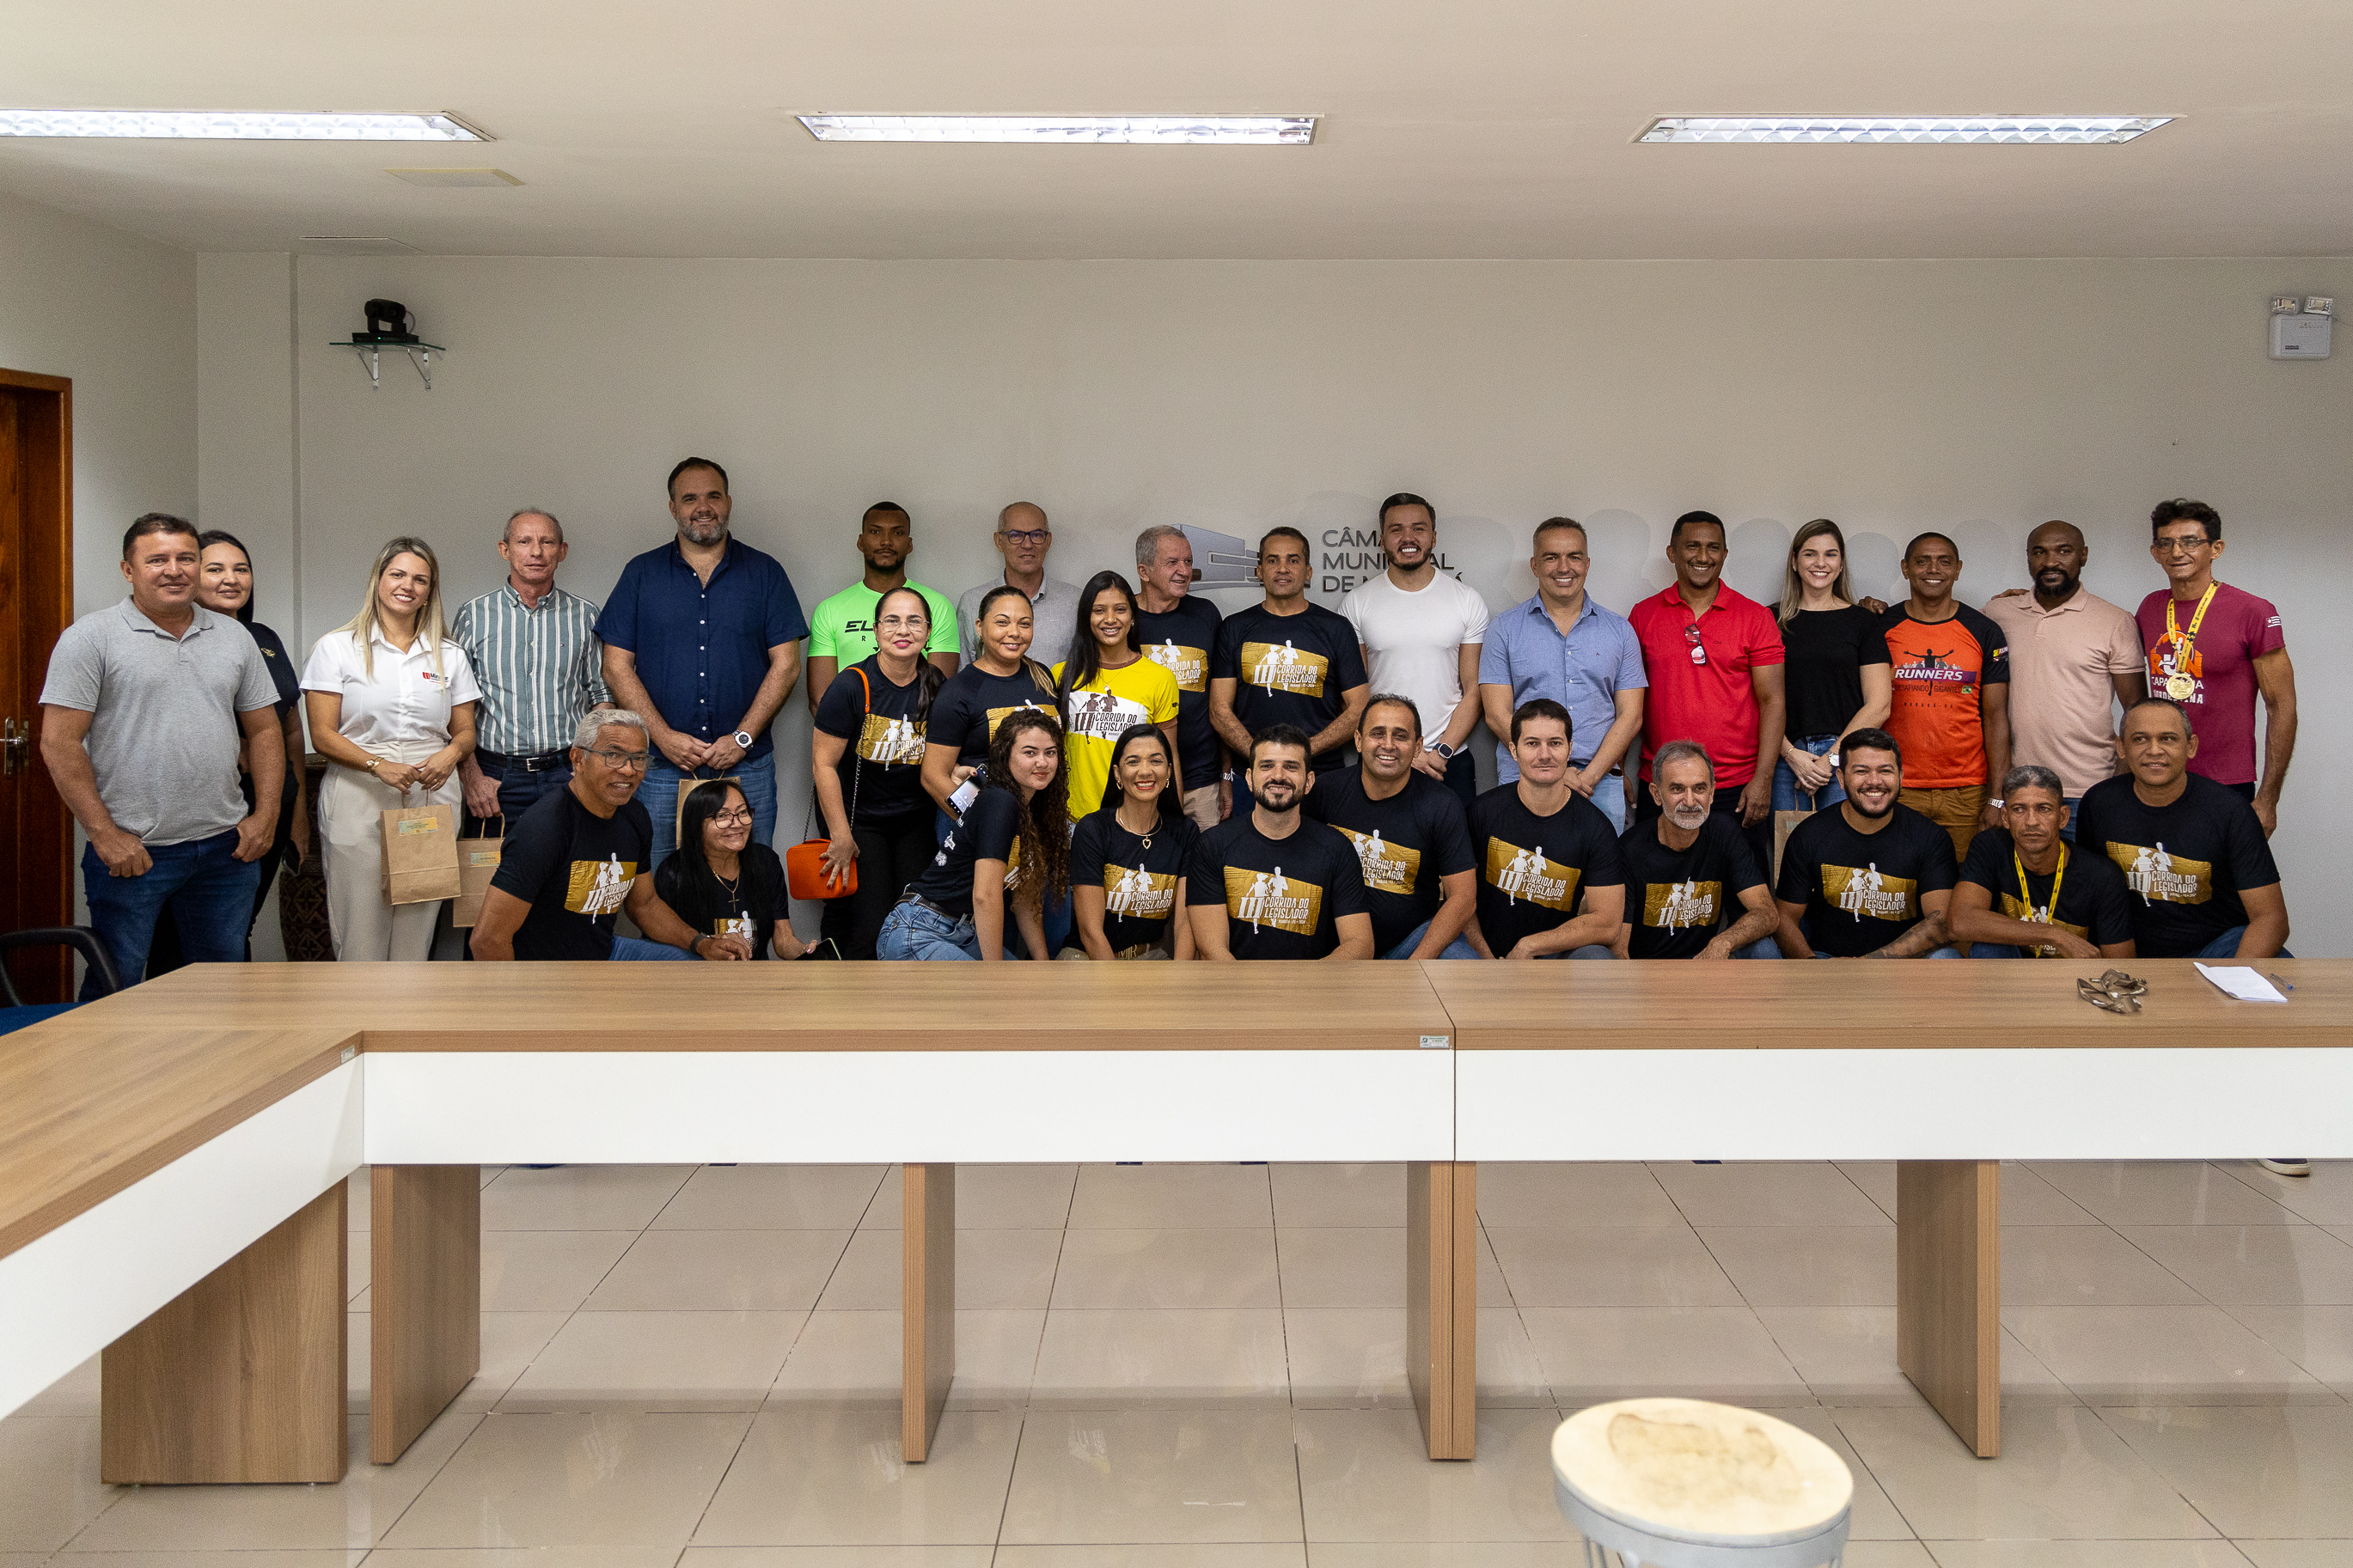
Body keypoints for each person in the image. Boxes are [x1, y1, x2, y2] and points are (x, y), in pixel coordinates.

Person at [38, 514, 285, 993]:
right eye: (157, 559)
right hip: (134, 851)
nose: (174, 570)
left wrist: (266, 815)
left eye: (186, 558)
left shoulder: (235, 638)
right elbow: (58, 742)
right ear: (129, 570)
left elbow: (266, 731)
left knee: (219, 987)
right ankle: (112, 1072)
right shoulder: (91, 638)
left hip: (225, 849)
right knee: (119, 986)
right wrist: (104, 835)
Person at [597, 457, 808, 866]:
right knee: (659, 883)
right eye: (689, 498)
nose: (703, 506)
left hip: (748, 765)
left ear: (728, 502)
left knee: (750, 878)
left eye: (713, 496)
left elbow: (787, 665)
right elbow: (615, 666)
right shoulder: (641, 574)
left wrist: (742, 738)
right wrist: (663, 737)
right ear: (672, 507)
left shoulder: (766, 573)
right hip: (660, 769)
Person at [301, 536, 479, 961]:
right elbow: (322, 735)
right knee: (361, 923)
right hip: (360, 790)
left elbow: (466, 733)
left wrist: (450, 755)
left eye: (420, 579)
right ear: (378, 580)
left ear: (430, 590)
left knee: (417, 926)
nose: (408, 586)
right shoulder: (337, 648)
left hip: (430, 793)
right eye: (397, 574)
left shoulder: (449, 655)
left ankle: (406, 1026)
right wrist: (378, 765)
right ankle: (364, 1023)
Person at [145, 528, 309, 972]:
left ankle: (235, 1024)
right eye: (215, 569)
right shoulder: (176, 642)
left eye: (241, 569)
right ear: (195, 575)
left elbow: (290, 727)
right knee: (187, 933)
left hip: (272, 801)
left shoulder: (264, 638)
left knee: (239, 924)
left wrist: (295, 817)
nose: (230, 579)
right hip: (214, 805)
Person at [469, 711, 754, 961]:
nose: (628, 770)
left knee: (705, 970)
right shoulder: (544, 828)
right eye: (613, 755)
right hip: (547, 973)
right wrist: (520, 1015)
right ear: (578, 758)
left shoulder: (635, 815)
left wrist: (701, 942)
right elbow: (487, 940)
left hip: (605, 953)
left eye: (638, 758)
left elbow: (645, 905)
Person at [1627, 511, 1785, 873]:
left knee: (1745, 892)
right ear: (1672, 552)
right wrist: (1621, 769)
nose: (1703, 556)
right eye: (1692, 546)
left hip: (1736, 784)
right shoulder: (1643, 614)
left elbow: (1773, 701)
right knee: (1661, 892)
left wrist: (1763, 780)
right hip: (1662, 782)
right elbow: (1628, 700)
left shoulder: (1755, 617)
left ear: (1725, 554)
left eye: (1713, 548)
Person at [2075, 697, 2288, 961]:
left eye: (2168, 739)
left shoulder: (2231, 811)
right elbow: (2086, 897)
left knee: (2278, 967)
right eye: (2140, 739)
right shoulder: (2098, 804)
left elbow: (2271, 918)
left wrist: (2236, 980)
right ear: (2121, 747)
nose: (2154, 750)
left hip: (2218, 949)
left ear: (2191, 746)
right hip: (2130, 952)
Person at [2137, 499, 2295, 836]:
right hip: (2159, 775)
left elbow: (2281, 707)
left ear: (2216, 549)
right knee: (2164, 881)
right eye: (2166, 543)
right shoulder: (2150, 607)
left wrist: (2268, 799)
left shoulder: (2252, 611)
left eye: (2190, 541)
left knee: (2226, 887)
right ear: (2155, 552)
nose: (2177, 551)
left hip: (2226, 781)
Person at [1478, 516, 1646, 832]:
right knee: (1525, 875)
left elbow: (1631, 716)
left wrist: (1588, 776)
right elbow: (1496, 714)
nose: (1563, 567)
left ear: (1588, 563)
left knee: (1601, 877)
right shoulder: (1505, 629)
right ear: (1534, 565)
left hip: (1598, 783)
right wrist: (1557, 771)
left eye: (1574, 557)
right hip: (1524, 778)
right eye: (1551, 557)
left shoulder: (1620, 631)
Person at [1980, 522, 2145, 837]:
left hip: (2089, 791)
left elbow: (2136, 711)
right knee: (2021, 886)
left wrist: (2120, 787)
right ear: (2028, 558)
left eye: (2063, 551)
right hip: (2019, 789)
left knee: (2089, 883)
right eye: (2039, 552)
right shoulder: (1997, 614)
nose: (2051, 561)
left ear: (2083, 556)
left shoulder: (2115, 620)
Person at [811, 585, 950, 959]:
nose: (903, 630)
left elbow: (946, 757)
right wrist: (840, 835)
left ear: (927, 632)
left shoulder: (937, 685)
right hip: (860, 821)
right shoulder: (851, 685)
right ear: (875, 631)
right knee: (870, 925)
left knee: (910, 920)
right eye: (892, 621)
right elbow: (823, 764)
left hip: (914, 820)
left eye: (913, 621)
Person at [452, 507, 612, 824]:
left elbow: (602, 697)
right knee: (496, 873)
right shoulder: (474, 615)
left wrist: (586, 768)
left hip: (567, 772)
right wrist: (472, 778)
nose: (536, 552)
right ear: (505, 549)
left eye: (547, 542)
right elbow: (455, 704)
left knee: (572, 871)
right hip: (495, 779)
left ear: (562, 551)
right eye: (524, 541)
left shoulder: (585, 616)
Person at [881, 709, 1070, 961]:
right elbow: (985, 896)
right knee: (999, 998)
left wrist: (1043, 967)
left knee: (1036, 992)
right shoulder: (999, 801)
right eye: (1029, 752)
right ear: (1005, 755)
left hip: (965, 932)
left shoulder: (1034, 810)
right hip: (920, 928)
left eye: (1051, 753)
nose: (1042, 762)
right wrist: (994, 979)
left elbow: (1025, 900)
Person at [1340, 493, 1491, 806]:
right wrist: (1406, 754)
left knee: (1453, 855)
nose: (1408, 538)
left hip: (1447, 760)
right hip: (1382, 757)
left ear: (1433, 537)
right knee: (1378, 852)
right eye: (1396, 530)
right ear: (1382, 540)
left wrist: (1439, 752)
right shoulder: (1357, 603)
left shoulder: (1466, 600)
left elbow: (1474, 689)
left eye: (1419, 529)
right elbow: (1355, 695)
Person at [1303, 694, 1478, 959]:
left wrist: (1416, 963)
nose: (1388, 745)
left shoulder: (1441, 804)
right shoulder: (1325, 792)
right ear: (1358, 740)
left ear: (1418, 746)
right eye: (1377, 734)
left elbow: (1463, 899)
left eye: (1400, 736)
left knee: (1462, 961)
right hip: (1338, 947)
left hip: (1410, 943)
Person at [1875, 532, 2009, 860]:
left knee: (1963, 890)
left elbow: (1996, 718)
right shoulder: (1880, 627)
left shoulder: (1984, 630)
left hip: (1967, 792)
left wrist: (1997, 799)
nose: (1933, 569)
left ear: (1958, 569)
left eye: (1944, 561)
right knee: (1899, 886)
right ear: (1906, 568)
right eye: (1922, 561)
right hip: (1897, 787)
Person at [1187, 725, 1373, 960]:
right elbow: (1212, 949)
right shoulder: (1212, 846)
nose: (1278, 775)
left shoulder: (1338, 850)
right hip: (1235, 990)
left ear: (1309, 782)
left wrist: (1305, 991)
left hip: (1313, 990)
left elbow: (1360, 944)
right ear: (1249, 779)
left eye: (1291, 767)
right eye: (1266, 766)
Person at [1771, 729, 1960, 959]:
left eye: (1885, 771)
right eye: (1861, 771)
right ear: (1841, 779)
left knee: (1945, 957)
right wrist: (1814, 967)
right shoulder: (1809, 835)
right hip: (1829, 963)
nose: (1874, 781)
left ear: (1900, 776)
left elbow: (1939, 922)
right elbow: (1785, 919)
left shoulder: (1930, 837)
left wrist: (1869, 964)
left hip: (1905, 964)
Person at [1210, 527, 1371, 796]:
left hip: (1320, 776)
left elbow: (1359, 708)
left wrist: (1304, 752)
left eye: (1293, 560)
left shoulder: (1336, 629)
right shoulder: (1234, 628)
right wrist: (1261, 757)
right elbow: (1219, 710)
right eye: (1273, 560)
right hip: (1251, 778)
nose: (1282, 568)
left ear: (1307, 572)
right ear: (1259, 570)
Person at [1464, 699, 1625, 959]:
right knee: (1447, 949)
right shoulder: (1482, 812)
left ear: (1569, 749)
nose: (1544, 755)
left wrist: (1530, 946)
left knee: (1597, 958)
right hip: (1481, 954)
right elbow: (1460, 900)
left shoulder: (1595, 827)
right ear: (1513, 750)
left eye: (1555, 743)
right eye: (1532, 744)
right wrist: (1486, 959)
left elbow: (1607, 924)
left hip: (1553, 959)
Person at [1948, 765, 2135, 959]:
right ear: (2005, 817)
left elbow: (2121, 963)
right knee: (1985, 950)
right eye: (2019, 809)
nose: (2031, 821)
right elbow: (1960, 921)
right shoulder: (1990, 847)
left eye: (2044, 809)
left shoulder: (2101, 875)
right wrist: (2052, 934)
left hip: (2074, 980)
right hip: (2010, 978)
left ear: (2063, 817)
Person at [1616, 741, 1778, 960]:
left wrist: (1724, 941)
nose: (1690, 801)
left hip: (1706, 965)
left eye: (1700, 788)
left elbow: (1767, 914)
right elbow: (1618, 948)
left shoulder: (1723, 832)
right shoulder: (1630, 849)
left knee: (1764, 950)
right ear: (1656, 794)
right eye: (1677, 789)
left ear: (1711, 793)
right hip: (1648, 974)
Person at [1771, 520, 1890, 815]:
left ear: (1841, 564)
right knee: (1785, 855)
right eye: (1810, 554)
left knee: (1841, 855)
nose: (1820, 563)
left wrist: (1830, 759)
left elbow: (1879, 704)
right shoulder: (1769, 621)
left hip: (1847, 759)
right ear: (1795, 562)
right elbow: (1756, 699)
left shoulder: (1863, 622)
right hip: (1785, 759)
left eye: (1830, 554)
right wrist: (1790, 754)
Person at [804, 500, 959, 713]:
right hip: (850, 741)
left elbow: (941, 697)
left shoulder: (938, 606)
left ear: (909, 544)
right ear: (861, 542)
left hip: (915, 739)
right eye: (876, 532)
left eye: (897, 533)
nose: (886, 541)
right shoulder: (830, 609)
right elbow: (821, 700)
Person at [921, 584, 1060, 822]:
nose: (1014, 632)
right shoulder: (960, 690)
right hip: (981, 822)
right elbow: (933, 776)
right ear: (979, 628)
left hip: (1041, 821)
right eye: (1002, 622)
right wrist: (981, 824)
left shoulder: (1042, 676)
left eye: (1024, 624)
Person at [1054, 570, 1181, 820]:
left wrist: (1174, 822)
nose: (1110, 619)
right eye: (1099, 610)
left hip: (1135, 821)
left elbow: (1170, 756)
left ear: (1133, 616)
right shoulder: (1062, 674)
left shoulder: (1159, 678)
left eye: (1120, 609)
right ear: (1086, 618)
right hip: (1072, 820)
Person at [1066, 724, 1200, 960]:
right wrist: (1115, 993)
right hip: (1088, 959)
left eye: (1156, 761)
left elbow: (1184, 925)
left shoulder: (1185, 832)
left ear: (1169, 771)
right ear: (1117, 774)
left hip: (1151, 959)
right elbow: (1090, 931)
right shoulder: (1093, 830)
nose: (1145, 771)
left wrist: (1182, 981)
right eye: (1133, 761)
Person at [1133, 525, 1227, 829]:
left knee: (1204, 875)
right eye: (1172, 562)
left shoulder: (1206, 615)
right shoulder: (1120, 619)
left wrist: (1225, 774)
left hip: (1201, 782)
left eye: (1188, 562)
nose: (1184, 571)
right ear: (1144, 572)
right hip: (1138, 780)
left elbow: (1222, 702)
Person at [656, 778, 808, 958]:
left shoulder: (766, 861)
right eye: (722, 816)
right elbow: (661, 947)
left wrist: (805, 954)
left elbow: (783, 938)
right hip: (697, 977)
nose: (737, 824)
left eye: (743, 812)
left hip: (756, 977)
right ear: (696, 825)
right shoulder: (673, 872)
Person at [956, 502, 1082, 668]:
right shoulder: (973, 602)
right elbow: (964, 675)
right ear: (999, 541)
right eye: (1015, 535)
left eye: (1036, 535)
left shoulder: (1076, 601)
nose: (1028, 544)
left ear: (1048, 541)